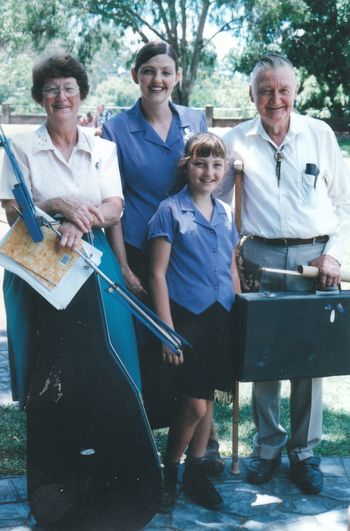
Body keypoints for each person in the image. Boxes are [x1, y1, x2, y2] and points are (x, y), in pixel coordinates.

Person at [0, 53, 147, 522]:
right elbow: (12, 208)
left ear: (81, 95)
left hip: (94, 276)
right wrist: (61, 205)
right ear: (39, 98)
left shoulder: (102, 148)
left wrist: (80, 219)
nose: (61, 97)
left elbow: (115, 205)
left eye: (68, 88)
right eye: (51, 90)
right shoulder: (18, 147)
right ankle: (55, 482)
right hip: (40, 273)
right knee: (52, 374)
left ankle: (108, 478)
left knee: (103, 365)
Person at [222, 53, 350, 494]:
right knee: (264, 356)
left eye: (282, 90)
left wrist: (333, 256)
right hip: (259, 256)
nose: (275, 99)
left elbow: (345, 204)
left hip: (316, 261)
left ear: (296, 92)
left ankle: (304, 452)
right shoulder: (236, 140)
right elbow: (216, 202)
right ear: (252, 95)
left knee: (308, 359)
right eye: (265, 91)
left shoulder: (319, 134)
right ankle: (268, 447)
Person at [102, 41, 224, 473]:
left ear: (176, 77)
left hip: (188, 258)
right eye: (149, 71)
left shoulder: (193, 120)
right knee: (153, 356)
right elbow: (112, 200)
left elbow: (213, 173)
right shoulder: (116, 128)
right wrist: (122, 264)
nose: (158, 79)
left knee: (197, 353)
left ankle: (203, 452)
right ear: (136, 75)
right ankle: (147, 453)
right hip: (140, 254)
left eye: (166, 71)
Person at [148, 132, 241, 512]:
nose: (209, 171)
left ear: (224, 171)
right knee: (194, 407)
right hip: (187, 320)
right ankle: (169, 472)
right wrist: (166, 332)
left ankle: (197, 472)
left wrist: (240, 313)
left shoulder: (225, 212)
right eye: (201, 163)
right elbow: (157, 274)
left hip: (221, 317)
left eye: (217, 165)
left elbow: (231, 265)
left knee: (208, 400)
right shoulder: (169, 211)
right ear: (187, 165)